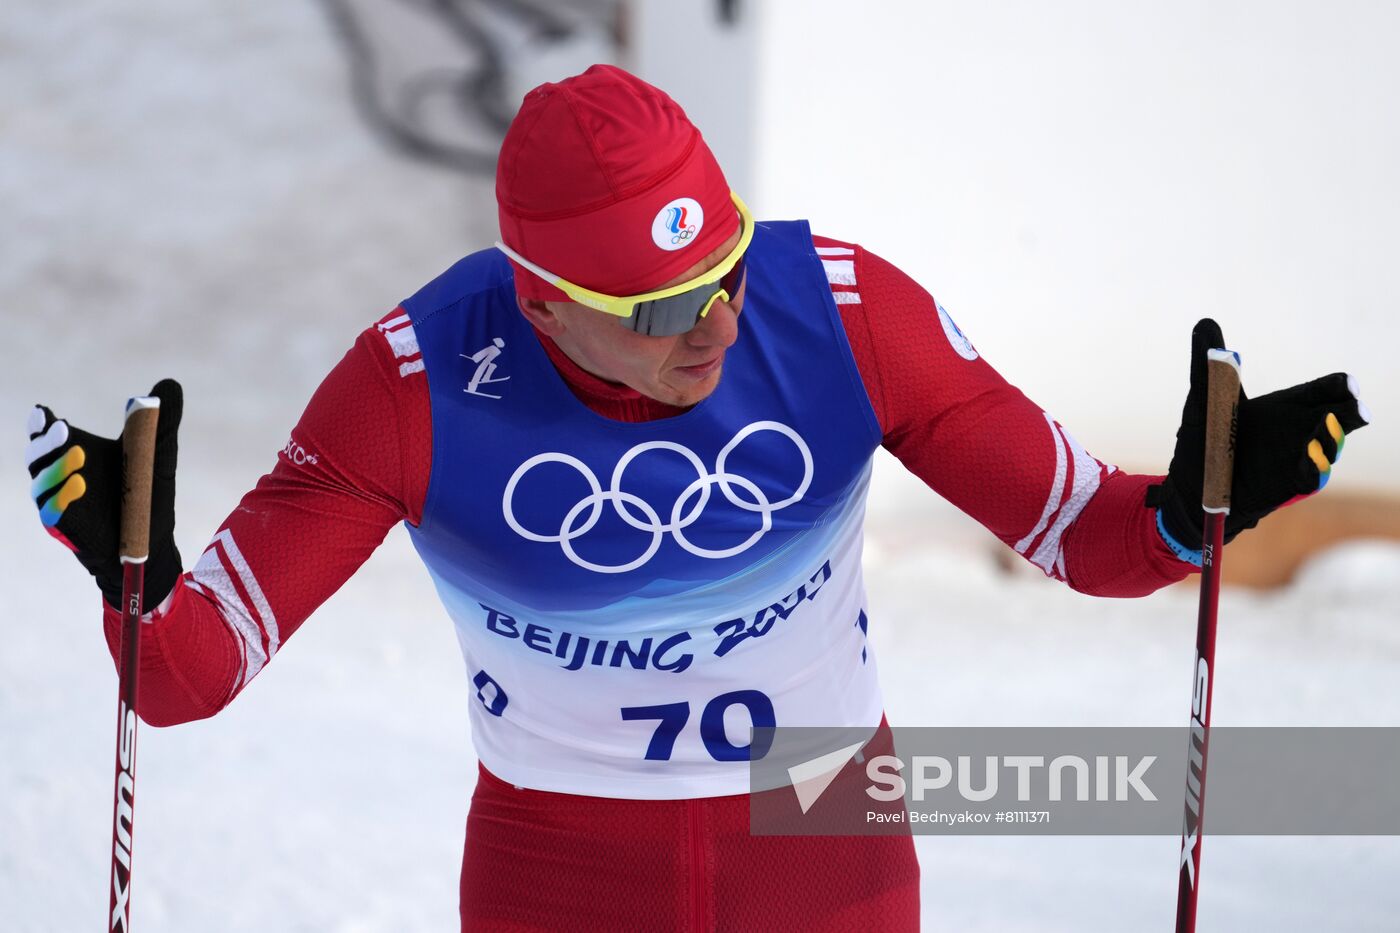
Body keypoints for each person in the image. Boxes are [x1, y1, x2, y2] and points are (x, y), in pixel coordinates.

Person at [26, 64, 1369, 931]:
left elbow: (1086, 535)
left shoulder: (839, 313)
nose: (716, 320)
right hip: (562, 861)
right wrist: (125, 566)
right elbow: (185, 673)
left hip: (823, 827)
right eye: (659, 303)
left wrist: (1202, 503)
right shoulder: (415, 385)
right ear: (543, 299)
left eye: (723, 263)